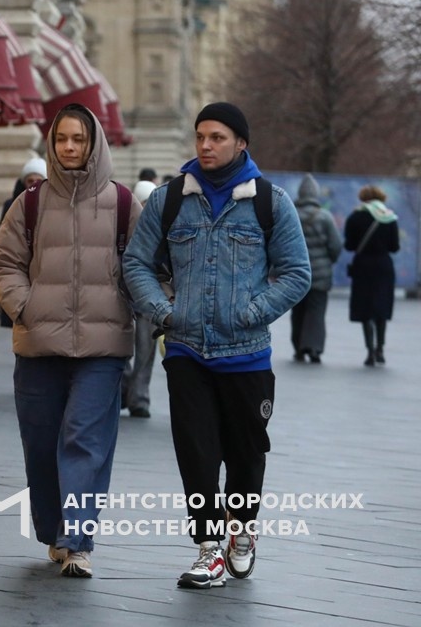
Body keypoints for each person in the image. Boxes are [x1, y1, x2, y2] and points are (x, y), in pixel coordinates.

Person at [122, 102, 310, 590]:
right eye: (200, 136)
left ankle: (241, 534)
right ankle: (208, 549)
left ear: (240, 143)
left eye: (217, 137)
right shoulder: (169, 201)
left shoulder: (270, 202)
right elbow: (136, 263)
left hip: (247, 355)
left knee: (247, 452)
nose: (205, 145)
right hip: (186, 351)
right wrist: (164, 313)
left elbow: (297, 274)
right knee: (196, 451)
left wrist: (250, 313)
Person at [0, 104, 141, 579]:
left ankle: (78, 540)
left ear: (94, 143)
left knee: (84, 441)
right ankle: (55, 530)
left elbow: (144, 267)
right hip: (38, 347)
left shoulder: (121, 203)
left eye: (79, 139)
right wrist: (27, 307)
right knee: (40, 445)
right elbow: (2, 263)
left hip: (102, 350)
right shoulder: (30, 203)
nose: (70, 148)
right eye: (61, 140)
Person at [345, 185, 400, 367]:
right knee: (381, 307)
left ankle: (369, 351)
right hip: (384, 267)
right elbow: (394, 247)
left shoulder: (355, 216)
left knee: (366, 307)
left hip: (363, 267)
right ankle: (381, 349)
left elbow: (350, 245)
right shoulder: (389, 217)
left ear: (363, 198)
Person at [290, 174, 342, 364]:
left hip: (295, 274)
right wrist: (329, 262)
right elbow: (336, 246)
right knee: (317, 312)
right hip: (320, 273)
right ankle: (314, 348)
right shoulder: (325, 216)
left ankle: (298, 348)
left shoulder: (290, 213)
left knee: (298, 311)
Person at [121, 179, 158, 417]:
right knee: (120, 350)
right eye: (143, 202)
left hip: (149, 301)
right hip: (122, 298)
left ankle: (139, 398)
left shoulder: (162, 226)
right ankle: (123, 390)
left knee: (146, 353)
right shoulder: (123, 224)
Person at [0, 158, 48, 329]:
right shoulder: (12, 205)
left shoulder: (53, 206)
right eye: (30, 181)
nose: (33, 184)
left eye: (38, 180)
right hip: (20, 268)